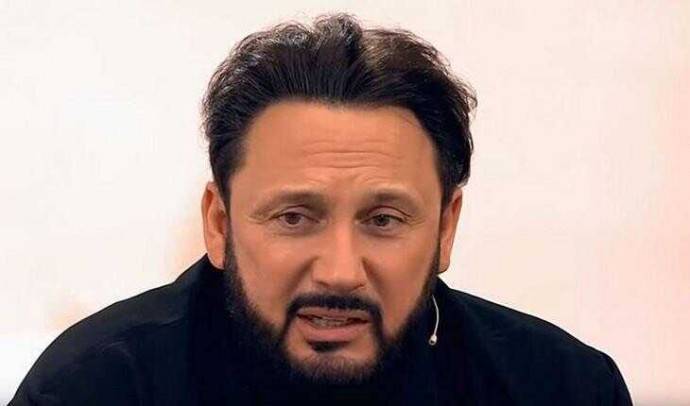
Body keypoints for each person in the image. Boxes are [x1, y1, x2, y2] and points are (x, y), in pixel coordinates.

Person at [10, 13, 632, 405]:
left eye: (383, 220)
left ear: (446, 228)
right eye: (294, 218)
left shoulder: (561, 388)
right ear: (219, 224)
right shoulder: (95, 387)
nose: (339, 272)